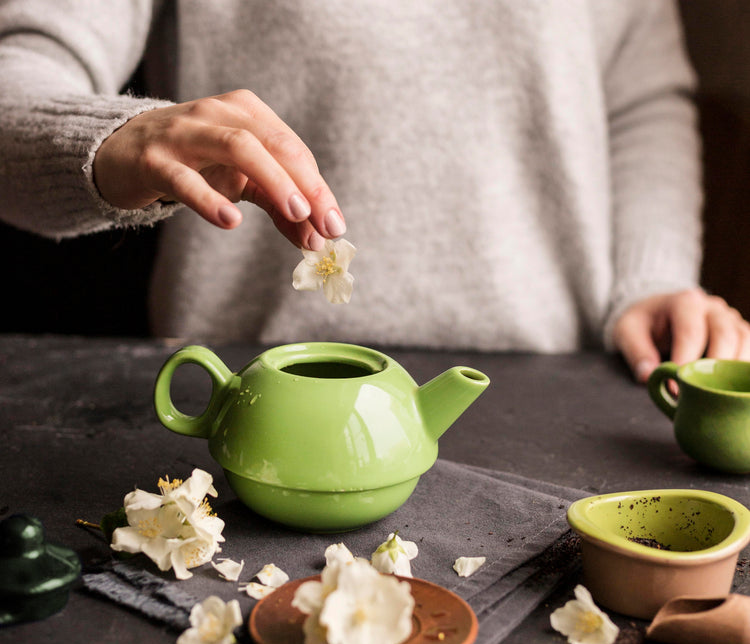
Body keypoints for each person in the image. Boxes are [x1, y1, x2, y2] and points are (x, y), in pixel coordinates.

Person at [1, 0, 748, 381]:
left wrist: (651, 280)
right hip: (242, 389)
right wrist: (113, 140)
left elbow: (641, 103)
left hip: (550, 392)